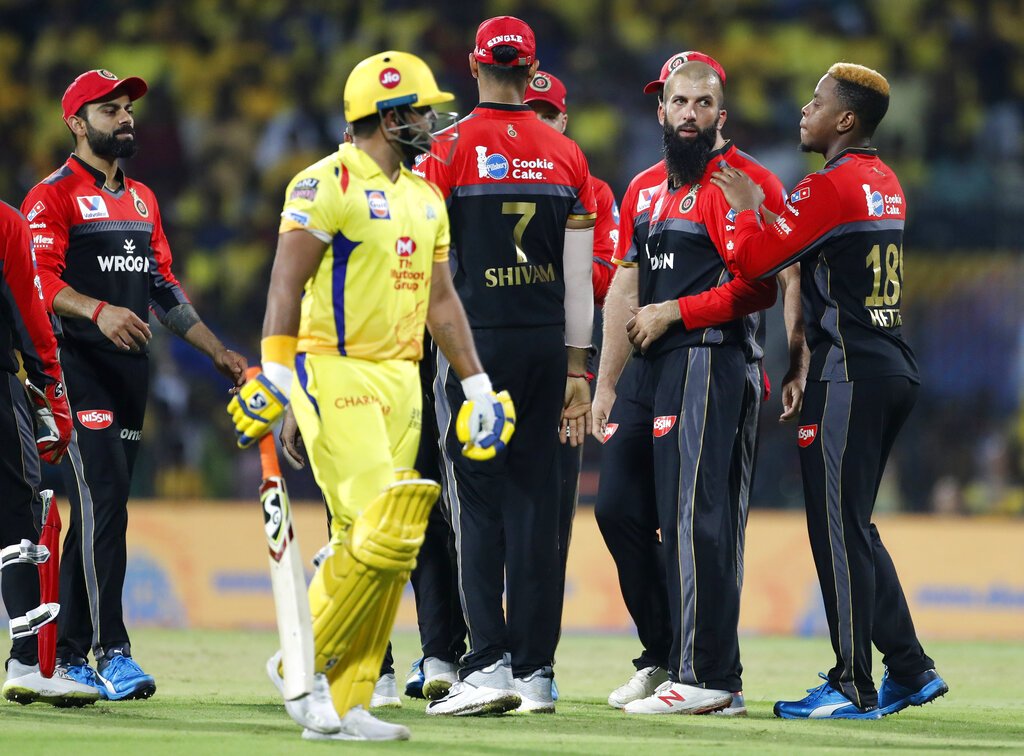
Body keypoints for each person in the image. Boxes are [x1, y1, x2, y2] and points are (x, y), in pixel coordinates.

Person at [229, 50, 512, 741]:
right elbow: (285, 285)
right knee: (380, 523)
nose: (430, 121)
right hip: (335, 369)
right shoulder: (322, 182)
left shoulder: (424, 195)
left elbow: (442, 301)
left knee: (386, 547)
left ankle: (347, 700)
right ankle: (298, 662)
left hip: (402, 379)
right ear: (389, 116)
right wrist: (276, 375)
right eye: (419, 111)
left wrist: (476, 385)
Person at [711, 62, 947, 719]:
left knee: (838, 532)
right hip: (888, 367)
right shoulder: (884, 181)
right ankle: (910, 668)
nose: (803, 112)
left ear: (846, 120)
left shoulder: (828, 187)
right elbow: (820, 267)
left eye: (816, 103)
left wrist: (743, 213)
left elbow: (759, 263)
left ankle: (851, 682)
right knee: (857, 529)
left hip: (849, 376)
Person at [22, 69, 248, 701]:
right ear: (76, 123)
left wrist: (216, 350)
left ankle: (65, 658)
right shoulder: (53, 197)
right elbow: (34, 282)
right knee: (105, 501)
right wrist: (97, 310)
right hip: (76, 373)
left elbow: (162, 288)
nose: (124, 118)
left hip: (130, 376)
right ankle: (110, 650)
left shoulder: (142, 200)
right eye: (109, 110)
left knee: (102, 509)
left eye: (127, 109)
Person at [591, 52, 806, 713]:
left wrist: (675, 312)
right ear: (660, 110)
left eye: (701, 103)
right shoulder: (645, 186)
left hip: (711, 361)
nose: (689, 113)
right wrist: (604, 383)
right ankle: (664, 655)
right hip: (649, 367)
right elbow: (627, 283)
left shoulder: (748, 183)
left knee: (694, 519)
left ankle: (711, 676)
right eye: (678, 102)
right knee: (618, 510)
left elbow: (763, 284)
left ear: (721, 113)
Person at [415, 16, 597, 716]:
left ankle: (484, 664)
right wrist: (579, 371)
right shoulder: (567, 154)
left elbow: (430, 265)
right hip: (550, 345)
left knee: (475, 504)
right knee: (536, 509)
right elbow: (581, 279)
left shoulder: (447, 148)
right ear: (533, 68)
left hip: (475, 345)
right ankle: (536, 675)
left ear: (473, 64)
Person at [522, 68, 618, 655]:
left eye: (546, 114)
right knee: (476, 515)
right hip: (497, 362)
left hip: (563, 372)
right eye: (526, 112)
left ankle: (536, 661)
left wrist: (530, 278)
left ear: (564, 123)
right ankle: (467, 657)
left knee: (550, 523)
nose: (535, 124)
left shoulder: (593, 193)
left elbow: (604, 278)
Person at [0, 200, 98, 706]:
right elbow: (30, 321)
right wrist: (54, 396)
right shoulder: (6, 223)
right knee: (17, 518)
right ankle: (25, 662)